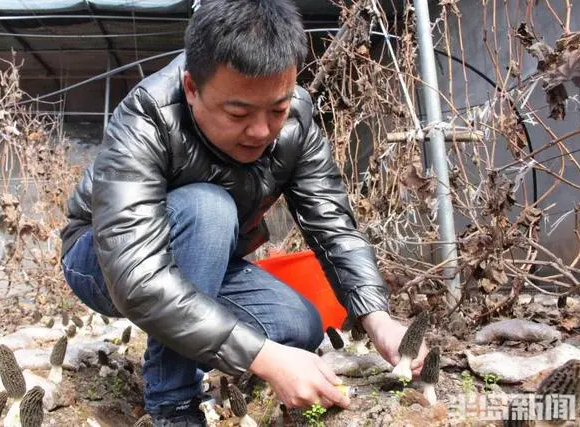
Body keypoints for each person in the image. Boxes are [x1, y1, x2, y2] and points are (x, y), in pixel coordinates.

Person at [60, 0, 427, 425]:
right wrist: (264, 358)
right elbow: (136, 276)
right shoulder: (148, 116)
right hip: (103, 259)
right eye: (238, 113)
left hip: (205, 257)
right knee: (208, 208)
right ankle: (172, 402)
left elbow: (332, 225)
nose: (261, 130)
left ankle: (212, 354)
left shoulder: (298, 122)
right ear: (193, 87)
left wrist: (376, 317)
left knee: (299, 325)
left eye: (276, 108)